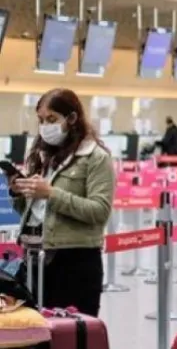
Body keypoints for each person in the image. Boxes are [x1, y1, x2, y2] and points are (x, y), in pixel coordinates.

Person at [11, 88, 114, 317]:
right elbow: (34, 212)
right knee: (36, 331)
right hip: (35, 259)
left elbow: (99, 211)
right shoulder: (41, 156)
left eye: (52, 119)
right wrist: (20, 192)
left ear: (72, 118)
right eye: (41, 120)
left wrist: (51, 194)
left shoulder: (96, 157)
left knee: (70, 332)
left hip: (75, 262)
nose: (45, 126)